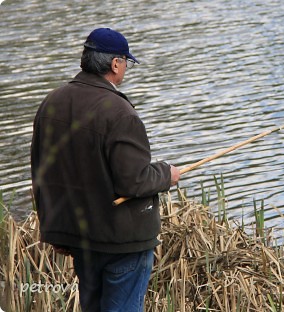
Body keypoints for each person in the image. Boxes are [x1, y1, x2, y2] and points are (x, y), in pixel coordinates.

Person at [30, 28, 180, 311]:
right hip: (121, 243)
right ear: (115, 64)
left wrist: (55, 228)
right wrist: (166, 174)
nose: (125, 69)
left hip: (80, 238)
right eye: (126, 62)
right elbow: (133, 182)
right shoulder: (120, 112)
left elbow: (41, 174)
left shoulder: (50, 103)